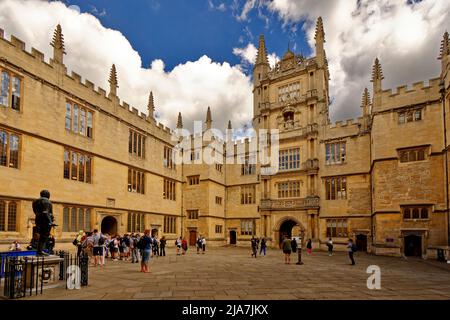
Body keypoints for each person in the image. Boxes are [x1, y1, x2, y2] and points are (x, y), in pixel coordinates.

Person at [32, 190, 56, 256]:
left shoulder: (35, 201)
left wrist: (39, 216)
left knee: (41, 236)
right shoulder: (47, 201)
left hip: (38, 219)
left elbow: (35, 211)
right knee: (44, 236)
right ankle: (40, 251)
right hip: (45, 221)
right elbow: (46, 212)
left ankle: (39, 251)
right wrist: (50, 222)